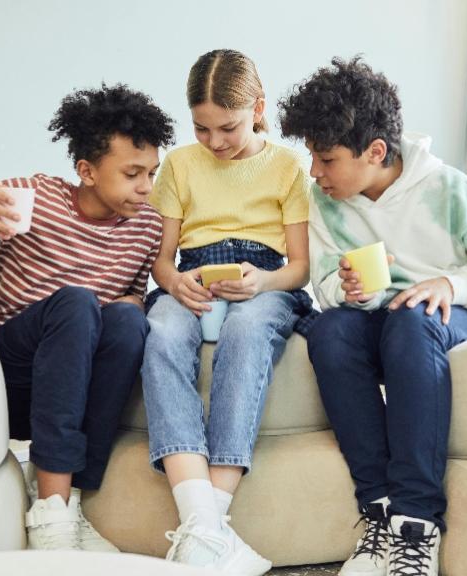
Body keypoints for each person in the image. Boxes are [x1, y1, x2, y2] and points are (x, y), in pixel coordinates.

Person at [278, 57, 467, 576]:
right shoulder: (324, 201)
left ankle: (417, 523)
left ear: (374, 152)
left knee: (412, 319)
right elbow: (324, 282)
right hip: (375, 316)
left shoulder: (450, 190)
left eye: (326, 159)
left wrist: (450, 284)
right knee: (328, 330)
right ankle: (379, 510)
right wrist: (347, 290)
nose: (314, 172)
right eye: (312, 157)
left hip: (443, 320)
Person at [0, 84, 175, 552]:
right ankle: (51, 513)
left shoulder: (148, 225)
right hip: (8, 375)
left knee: (129, 323)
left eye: (152, 172)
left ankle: (67, 503)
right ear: (87, 171)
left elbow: (131, 296)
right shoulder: (37, 198)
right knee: (75, 302)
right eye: (132, 174)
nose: (146, 187)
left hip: (70, 388)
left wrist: (135, 303)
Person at [141, 49, 314, 576]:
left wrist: (263, 280)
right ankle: (206, 527)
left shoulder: (287, 167)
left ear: (258, 107)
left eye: (229, 127)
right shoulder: (178, 164)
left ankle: (205, 523)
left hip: (262, 280)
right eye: (201, 128)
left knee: (247, 329)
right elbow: (162, 260)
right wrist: (174, 282)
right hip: (191, 276)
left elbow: (299, 268)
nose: (214, 142)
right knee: (163, 332)